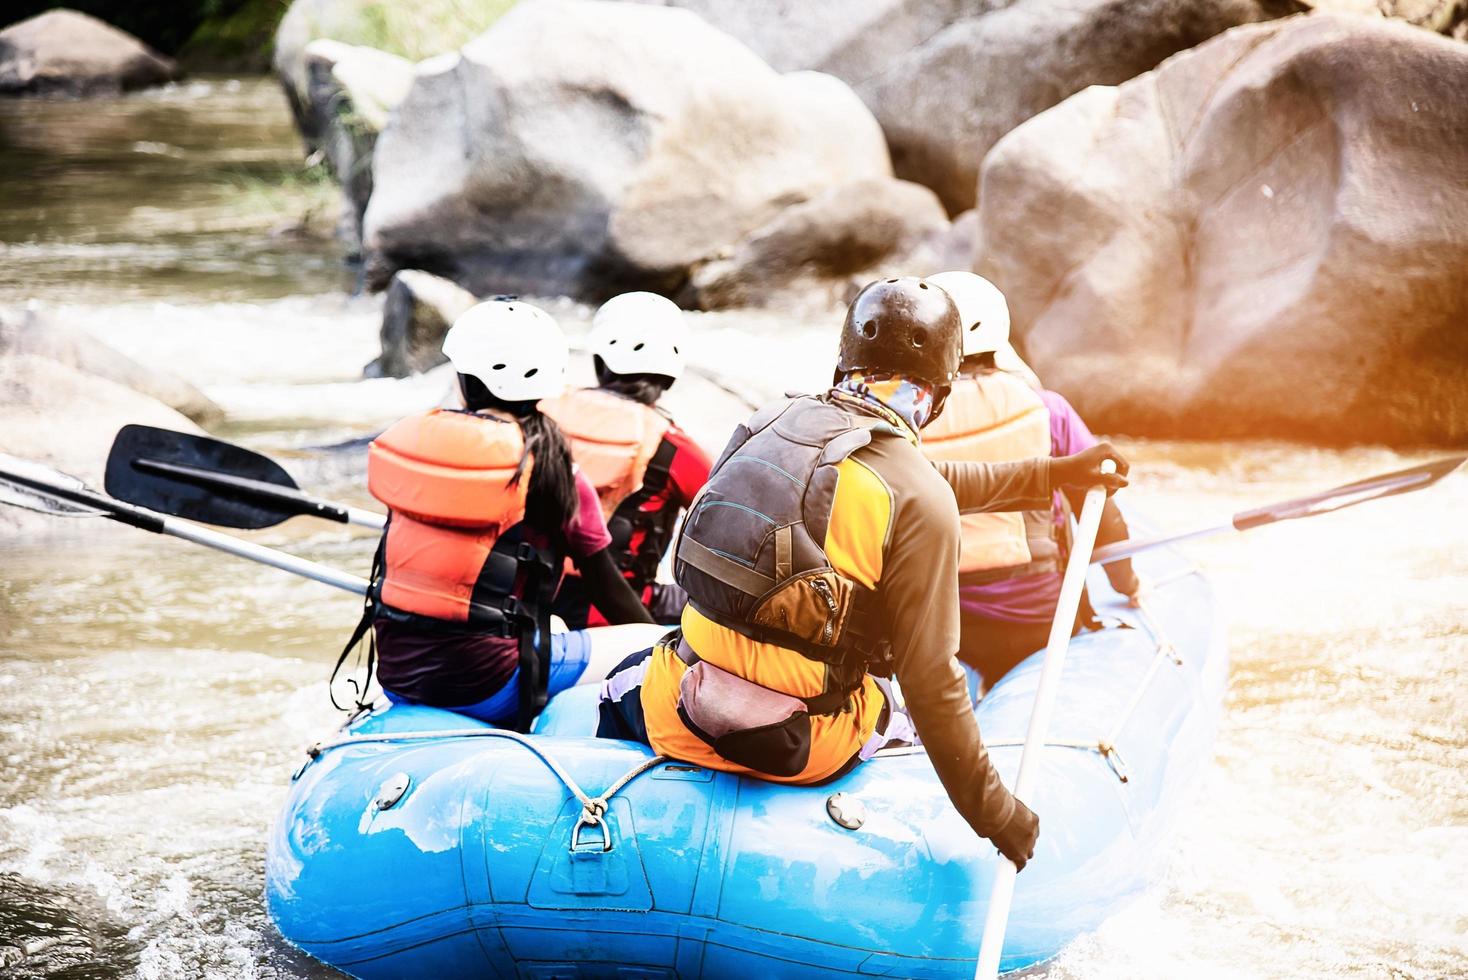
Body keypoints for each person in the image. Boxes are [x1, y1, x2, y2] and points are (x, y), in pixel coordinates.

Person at [596, 277, 1129, 871]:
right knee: (895, 706)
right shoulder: (915, 494)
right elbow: (932, 682)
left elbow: (929, 485)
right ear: (940, 394)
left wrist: (1055, 474)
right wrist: (997, 814)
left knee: (627, 673)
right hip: (800, 744)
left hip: (679, 706)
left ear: (844, 362)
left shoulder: (765, 423)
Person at [349, 299, 654, 733]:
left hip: (399, 675)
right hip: (488, 685)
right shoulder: (554, 469)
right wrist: (672, 649)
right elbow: (608, 591)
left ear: (462, 380)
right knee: (653, 641)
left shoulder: (418, 448)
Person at [923, 271, 1142, 689]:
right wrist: (1128, 585)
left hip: (943, 628)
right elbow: (1102, 522)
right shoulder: (1049, 410)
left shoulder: (907, 419)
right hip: (1039, 621)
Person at [542, 292, 712, 627]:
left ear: (600, 360)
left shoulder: (541, 413)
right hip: (623, 613)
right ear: (671, 371)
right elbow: (734, 519)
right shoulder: (674, 446)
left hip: (531, 598)